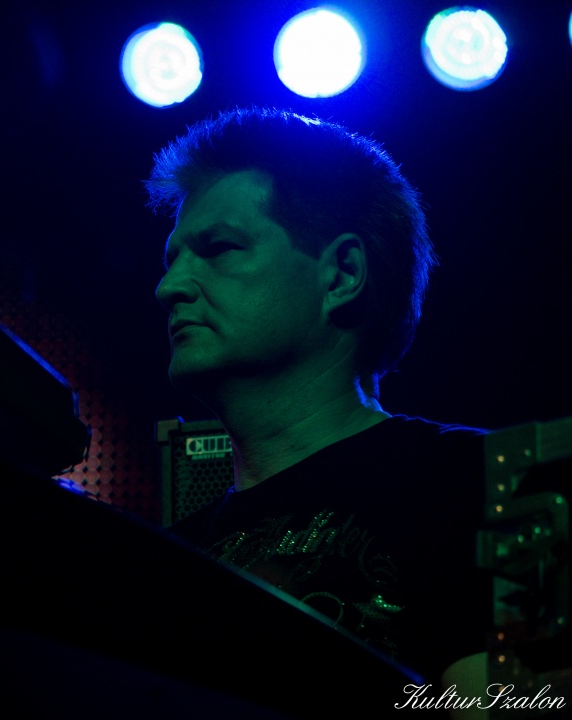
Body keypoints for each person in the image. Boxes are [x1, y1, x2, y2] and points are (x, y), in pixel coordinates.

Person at [148, 106, 495, 717]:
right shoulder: (166, 558)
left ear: (341, 275)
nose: (169, 287)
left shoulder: (475, 480)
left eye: (218, 248)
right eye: (171, 259)